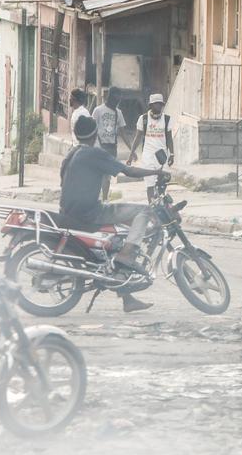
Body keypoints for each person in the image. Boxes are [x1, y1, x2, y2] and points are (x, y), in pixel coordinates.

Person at [63, 116, 168, 312]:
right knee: (144, 211)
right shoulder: (95, 154)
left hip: (70, 211)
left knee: (117, 238)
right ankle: (127, 255)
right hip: (89, 212)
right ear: (95, 134)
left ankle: (127, 298)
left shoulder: (72, 153)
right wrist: (156, 173)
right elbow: (128, 171)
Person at [127, 94, 174, 204]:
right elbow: (137, 138)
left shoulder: (167, 119)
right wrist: (131, 154)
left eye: (160, 104)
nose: (159, 106)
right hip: (148, 156)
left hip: (162, 156)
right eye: (156, 104)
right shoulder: (143, 119)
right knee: (150, 184)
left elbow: (169, 138)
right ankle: (151, 206)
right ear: (151, 105)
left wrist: (172, 154)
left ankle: (160, 204)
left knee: (163, 182)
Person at [92, 87, 133, 201]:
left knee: (107, 176)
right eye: (115, 99)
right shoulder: (98, 110)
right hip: (100, 146)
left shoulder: (118, 113)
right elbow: (92, 129)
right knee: (98, 175)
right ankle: (95, 198)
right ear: (109, 98)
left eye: (118, 99)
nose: (117, 101)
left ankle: (105, 199)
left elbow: (123, 133)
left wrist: (132, 150)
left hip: (111, 148)